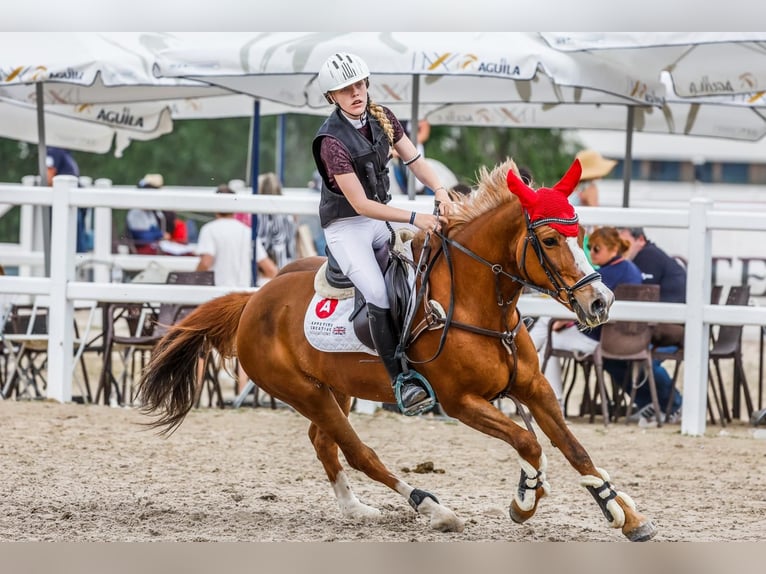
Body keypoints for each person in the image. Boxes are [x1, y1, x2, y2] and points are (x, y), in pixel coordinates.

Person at [312, 52, 450, 415]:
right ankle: (401, 380)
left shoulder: (383, 117)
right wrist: (414, 216)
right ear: (332, 97)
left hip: (383, 216)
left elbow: (415, 160)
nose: (355, 92)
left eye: (358, 84)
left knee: (434, 253)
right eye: (345, 89)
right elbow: (360, 205)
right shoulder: (331, 140)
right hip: (347, 226)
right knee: (377, 291)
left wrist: (439, 189)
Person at [195, 185, 278, 288]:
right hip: (242, 296)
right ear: (235, 206)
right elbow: (270, 270)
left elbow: (206, 262)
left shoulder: (209, 230)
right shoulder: (247, 231)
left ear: (215, 206)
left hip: (218, 295)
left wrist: (195, 281)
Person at [618, 227, 687, 347]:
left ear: (640, 240)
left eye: (624, 243)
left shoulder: (648, 256)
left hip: (671, 325)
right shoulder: (650, 254)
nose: (619, 248)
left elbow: (640, 294)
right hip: (673, 320)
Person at [46, 147, 91, 253]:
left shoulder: (63, 152)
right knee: (73, 241)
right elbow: (48, 176)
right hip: (65, 204)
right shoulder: (54, 151)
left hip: (73, 203)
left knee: (76, 240)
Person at [255, 172, 297, 269]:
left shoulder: (263, 215)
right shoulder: (288, 212)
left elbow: (263, 242)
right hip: (288, 263)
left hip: (271, 267)